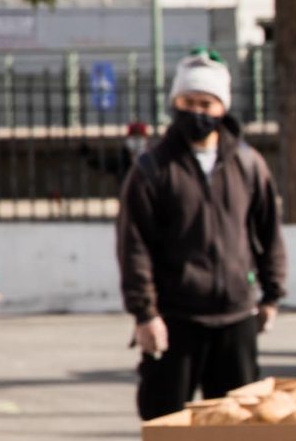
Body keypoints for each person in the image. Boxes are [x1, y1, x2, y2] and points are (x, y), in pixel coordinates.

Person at [117, 50, 287, 420]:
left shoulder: (248, 164)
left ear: (222, 108)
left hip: (236, 317)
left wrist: (272, 295)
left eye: (206, 103)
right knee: (165, 425)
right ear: (175, 104)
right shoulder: (152, 169)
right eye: (188, 101)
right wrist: (145, 315)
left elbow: (269, 232)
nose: (197, 111)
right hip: (174, 319)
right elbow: (134, 248)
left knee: (238, 428)